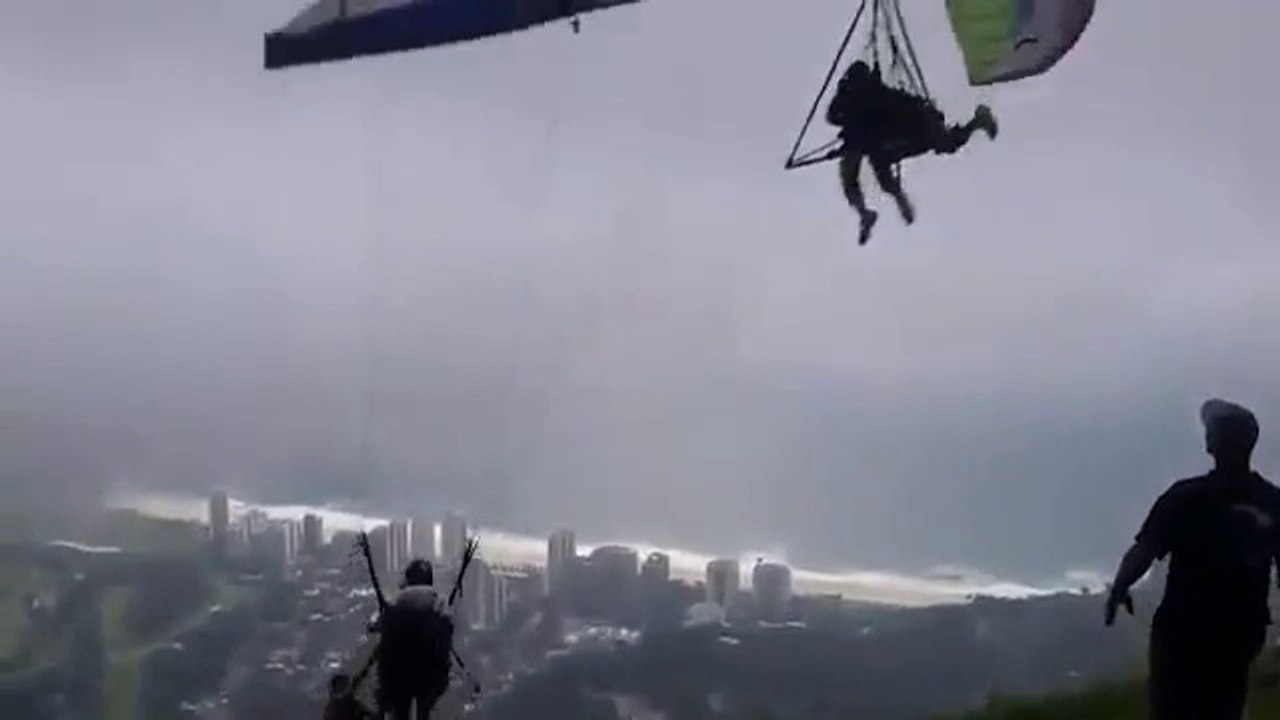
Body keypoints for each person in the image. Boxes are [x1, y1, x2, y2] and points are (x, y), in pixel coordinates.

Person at [1105, 399, 1280, 720]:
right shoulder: (1272, 502)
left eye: (1212, 432)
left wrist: (1120, 587)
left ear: (1213, 444)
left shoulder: (1185, 497)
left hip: (1182, 632)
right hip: (1237, 633)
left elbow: (1145, 548)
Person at [825, 60, 998, 245]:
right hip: (882, 140)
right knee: (865, 171)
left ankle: (979, 119)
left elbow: (840, 118)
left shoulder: (875, 96)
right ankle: (869, 212)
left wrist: (927, 117)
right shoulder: (857, 99)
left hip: (901, 133)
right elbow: (835, 118)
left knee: (942, 144)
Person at [374, 558, 455, 720]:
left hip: (397, 674)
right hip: (430, 675)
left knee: (399, 710)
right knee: (425, 708)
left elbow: (376, 625)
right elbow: (448, 631)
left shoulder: (395, 602)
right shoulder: (439, 604)